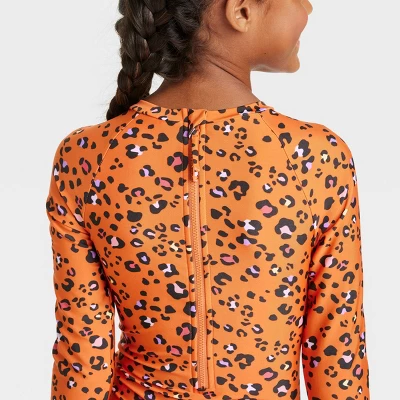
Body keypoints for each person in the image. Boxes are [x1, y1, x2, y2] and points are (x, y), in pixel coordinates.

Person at [45, 0, 370, 399]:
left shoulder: (87, 156)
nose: (308, 7)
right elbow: (336, 352)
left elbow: (82, 353)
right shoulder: (313, 156)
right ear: (241, 11)